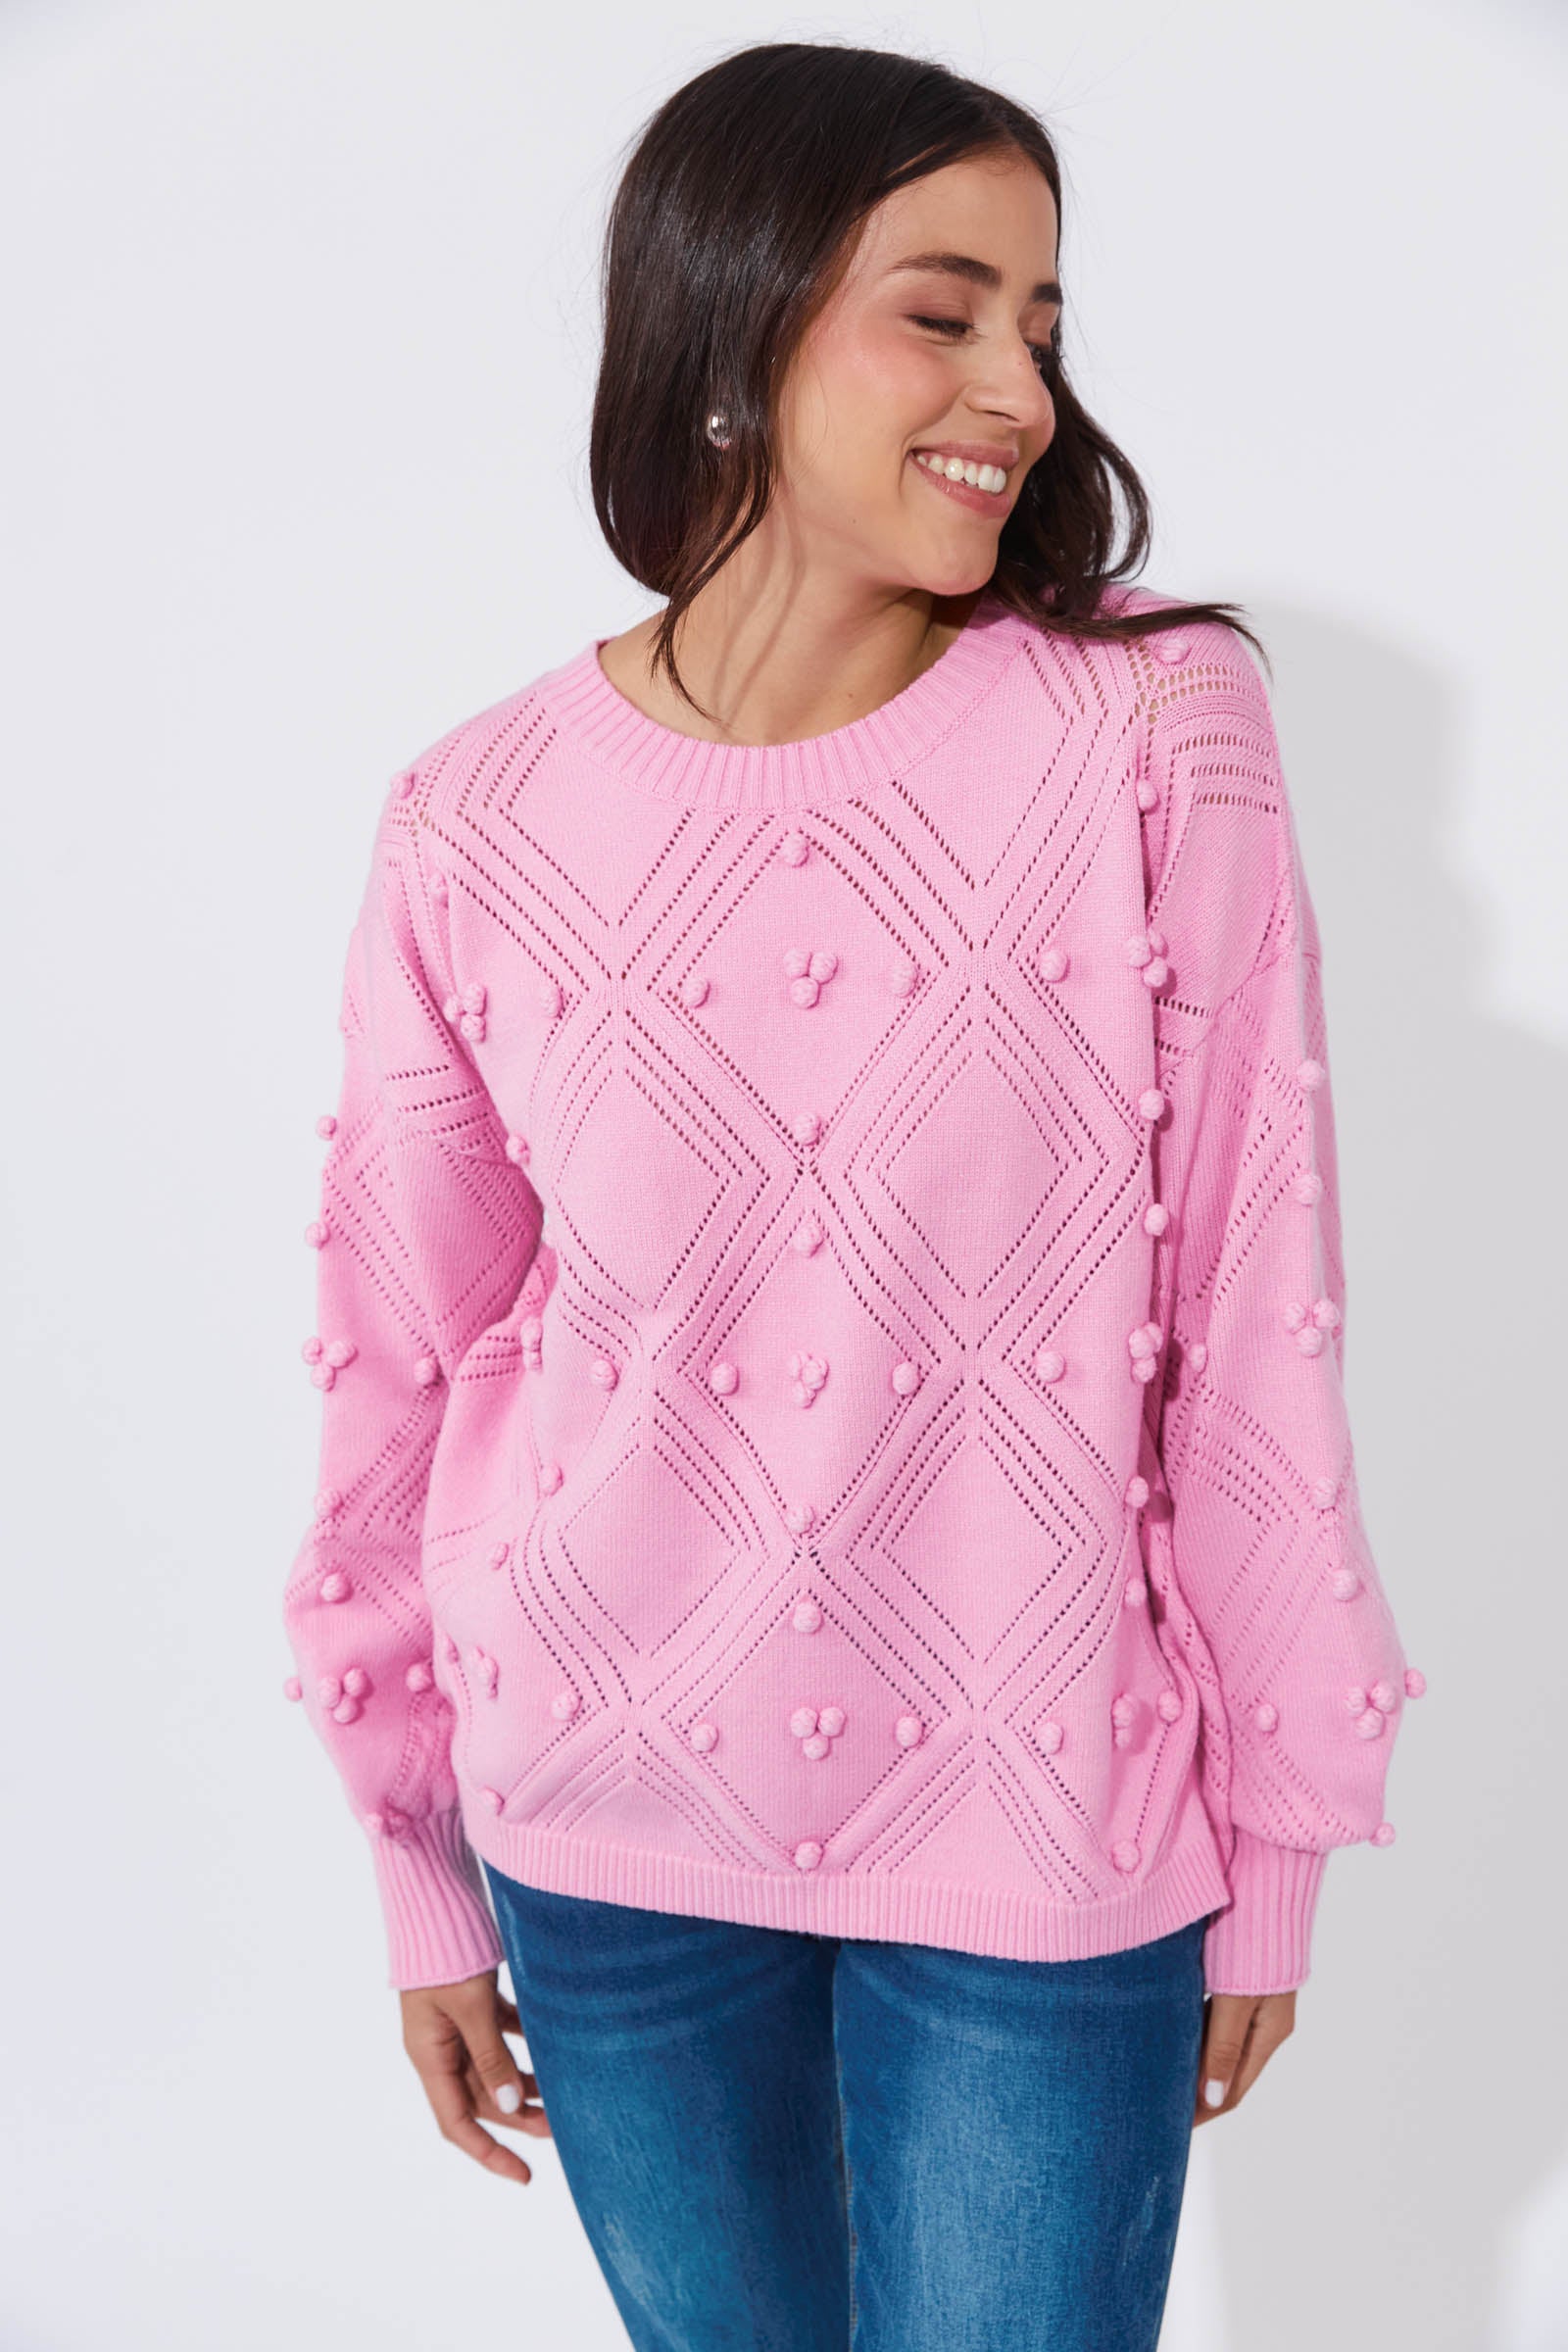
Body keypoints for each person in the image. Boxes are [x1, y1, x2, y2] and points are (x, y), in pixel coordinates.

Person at [280, 41, 1425, 2351]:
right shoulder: (474, 816)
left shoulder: (1147, 731)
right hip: (597, 1810)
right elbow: (402, 1351)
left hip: (1044, 1817)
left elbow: (1252, 1300)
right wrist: (411, 1851)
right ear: (733, 320)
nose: (1017, 386)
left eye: (1041, 323)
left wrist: (1279, 1823)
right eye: (943, 310)